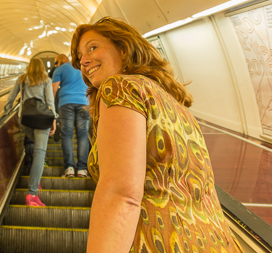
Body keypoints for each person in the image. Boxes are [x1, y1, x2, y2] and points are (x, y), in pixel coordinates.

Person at [71, 17, 243, 252]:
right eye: (80, 56)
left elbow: (121, 196)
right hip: (215, 239)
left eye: (93, 47)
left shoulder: (119, 88)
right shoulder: (174, 102)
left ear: (123, 49)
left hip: (162, 240)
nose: (84, 60)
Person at [4, 57, 57, 207]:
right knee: (40, 152)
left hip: (24, 120)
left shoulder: (22, 79)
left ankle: (35, 180)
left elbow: (11, 97)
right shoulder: (46, 80)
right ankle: (32, 194)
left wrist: (6, 111)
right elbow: (50, 101)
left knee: (36, 150)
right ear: (42, 68)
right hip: (41, 119)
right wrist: (54, 119)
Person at [52, 54, 90, 178]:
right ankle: (82, 170)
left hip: (66, 103)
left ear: (61, 61)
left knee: (67, 136)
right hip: (84, 102)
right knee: (83, 136)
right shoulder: (82, 67)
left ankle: (69, 168)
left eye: (56, 62)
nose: (55, 65)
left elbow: (53, 91)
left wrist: (51, 109)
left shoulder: (60, 69)